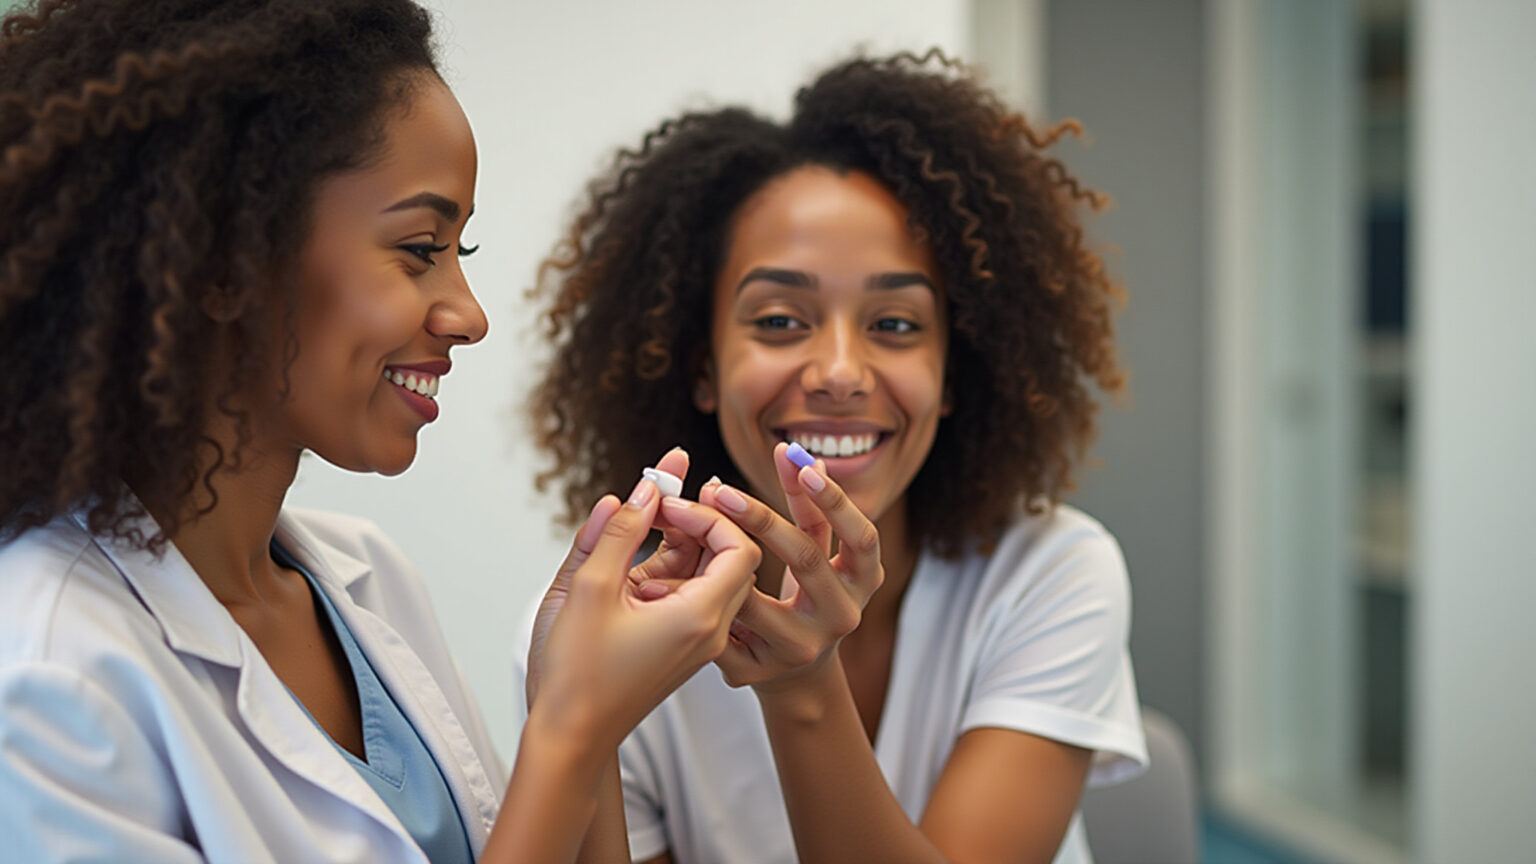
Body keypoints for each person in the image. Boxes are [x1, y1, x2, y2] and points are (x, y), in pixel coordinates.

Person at [0, 2, 762, 862]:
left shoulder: (370, 582)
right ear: (224, 259)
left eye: (459, 253)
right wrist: (574, 731)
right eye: (419, 247)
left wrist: (571, 698)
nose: (469, 317)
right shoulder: (46, 668)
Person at [527, 50, 1150, 864]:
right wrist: (581, 720)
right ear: (703, 368)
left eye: (895, 325)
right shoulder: (604, 629)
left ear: (953, 373)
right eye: (781, 321)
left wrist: (799, 685)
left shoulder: (1053, 573)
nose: (840, 375)